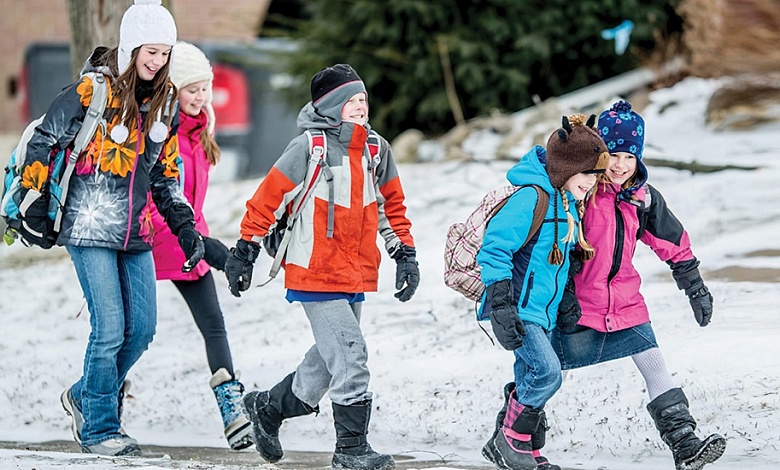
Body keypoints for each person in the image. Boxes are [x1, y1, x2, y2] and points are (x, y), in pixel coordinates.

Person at [17, 0, 205, 457]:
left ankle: (85, 393)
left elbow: (166, 175)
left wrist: (184, 227)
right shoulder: (90, 91)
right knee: (109, 328)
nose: (157, 61)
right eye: (150, 51)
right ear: (131, 45)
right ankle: (100, 427)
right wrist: (35, 199)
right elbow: (45, 139)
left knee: (142, 329)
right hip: (89, 222)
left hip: (136, 229)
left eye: (165, 53)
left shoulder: (163, 105)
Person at [224, 64, 419, 470]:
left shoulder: (376, 151)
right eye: (352, 101)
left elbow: (391, 209)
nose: (362, 107)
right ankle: (351, 450)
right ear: (331, 107)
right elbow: (267, 199)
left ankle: (268, 408)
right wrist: (245, 249)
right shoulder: (308, 148)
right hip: (315, 270)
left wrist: (405, 255)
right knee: (350, 356)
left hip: (355, 271)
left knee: (328, 363)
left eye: (364, 100)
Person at [552, 100, 726, 470]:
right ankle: (513, 434)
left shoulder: (641, 198)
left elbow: (672, 241)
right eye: (613, 154)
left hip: (625, 301)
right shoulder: (584, 191)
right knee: (547, 372)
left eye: (629, 157)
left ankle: (685, 444)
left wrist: (694, 285)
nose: (620, 165)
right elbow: (560, 244)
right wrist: (564, 294)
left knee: (656, 366)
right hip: (577, 303)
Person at [477, 115, 610, 470]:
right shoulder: (531, 199)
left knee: (530, 376)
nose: (592, 182)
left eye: (598, 175)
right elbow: (494, 250)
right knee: (547, 373)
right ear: (567, 168)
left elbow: (559, 258)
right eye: (587, 173)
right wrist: (502, 305)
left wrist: (566, 299)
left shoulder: (567, 203)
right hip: (518, 307)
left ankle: (526, 451)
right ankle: (510, 439)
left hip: (543, 310)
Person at [149, 41, 253, 451]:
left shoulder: (201, 129)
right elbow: (158, 194)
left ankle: (232, 409)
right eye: (191, 89)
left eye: (204, 87)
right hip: (154, 237)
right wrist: (201, 243)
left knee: (214, 325)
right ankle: (101, 396)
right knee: (134, 329)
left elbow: (191, 199)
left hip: (190, 236)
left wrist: (208, 242)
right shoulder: (161, 132)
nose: (200, 96)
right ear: (172, 89)